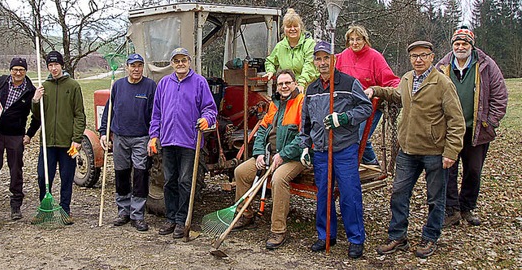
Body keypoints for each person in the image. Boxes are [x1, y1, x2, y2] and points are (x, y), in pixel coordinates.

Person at [369, 41, 465, 259]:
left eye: (423, 55)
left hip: (434, 151)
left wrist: (451, 151)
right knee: (399, 193)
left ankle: (430, 238)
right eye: (414, 56)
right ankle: (398, 236)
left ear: (432, 57)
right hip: (407, 150)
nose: (418, 59)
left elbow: (456, 120)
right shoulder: (407, 78)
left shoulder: (442, 83)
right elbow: (396, 95)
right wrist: (376, 90)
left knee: (435, 198)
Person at [298, 41, 372, 259]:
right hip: (321, 150)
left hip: (344, 149)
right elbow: (306, 123)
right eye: (318, 59)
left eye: (326, 58)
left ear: (334, 59)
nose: (322, 63)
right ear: (314, 62)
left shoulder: (348, 83)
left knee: (349, 194)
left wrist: (345, 118)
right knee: (323, 195)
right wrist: (304, 146)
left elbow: (366, 108)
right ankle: (326, 235)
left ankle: (356, 239)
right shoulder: (311, 89)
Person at [435, 27, 508, 227]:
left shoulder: (486, 65)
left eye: (464, 44)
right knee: (448, 170)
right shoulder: (442, 66)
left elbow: (500, 96)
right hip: (449, 130)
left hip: (477, 129)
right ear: (452, 45)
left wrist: (490, 122)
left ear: (471, 46)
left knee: (473, 170)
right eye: (457, 44)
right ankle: (452, 210)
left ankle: (467, 207)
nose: (460, 47)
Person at [231, 69, 306, 250]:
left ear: (295, 84)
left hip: (294, 158)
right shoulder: (275, 104)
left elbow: (303, 136)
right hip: (269, 154)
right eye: (280, 84)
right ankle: (245, 214)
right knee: (240, 171)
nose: (284, 86)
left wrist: (283, 155)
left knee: (279, 178)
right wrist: (258, 154)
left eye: (288, 83)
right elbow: (262, 130)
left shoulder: (301, 103)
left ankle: (278, 230)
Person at [148, 47, 218, 239]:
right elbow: (156, 114)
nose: (180, 64)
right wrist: (154, 135)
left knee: (185, 181)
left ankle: (182, 220)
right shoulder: (164, 84)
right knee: (170, 180)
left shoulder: (199, 82)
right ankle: (170, 218)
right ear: (172, 63)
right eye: (176, 60)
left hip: (190, 141)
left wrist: (207, 119)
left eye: (183, 60)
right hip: (168, 140)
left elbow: (210, 109)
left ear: (189, 62)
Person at [99, 53, 156, 232]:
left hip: (141, 137)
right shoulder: (118, 86)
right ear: (127, 67)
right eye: (133, 66)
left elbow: (155, 114)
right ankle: (123, 211)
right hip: (120, 137)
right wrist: (103, 133)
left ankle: (137, 215)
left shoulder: (150, 86)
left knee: (140, 175)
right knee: (121, 174)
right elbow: (109, 111)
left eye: (139, 65)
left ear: (143, 67)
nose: (136, 69)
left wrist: (153, 136)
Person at [0, 57, 40, 221]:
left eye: (21, 70)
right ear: (10, 70)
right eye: (15, 69)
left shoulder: (30, 91)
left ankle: (15, 206)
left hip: (16, 136)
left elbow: (37, 117)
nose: (18, 73)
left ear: (26, 71)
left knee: (16, 171)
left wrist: (29, 134)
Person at [31, 50, 86, 225]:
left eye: (56, 65)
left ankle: (65, 210)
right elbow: (37, 116)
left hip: (67, 142)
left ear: (62, 65)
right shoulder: (43, 88)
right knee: (43, 176)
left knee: (67, 177)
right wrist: (35, 99)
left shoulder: (73, 86)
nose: (53, 68)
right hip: (47, 142)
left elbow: (79, 115)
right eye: (50, 65)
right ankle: (44, 207)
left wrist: (77, 139)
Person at [335, 25, 400, 165]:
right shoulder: (343, 56)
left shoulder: (375, 57)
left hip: (369, 106)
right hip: (346, 105)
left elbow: (391, 79)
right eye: (351, 39)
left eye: (358, 39)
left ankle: (372, 165)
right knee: (344, 139)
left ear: (365, 40)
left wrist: (398, 91)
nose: (354, 43)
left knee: (359, 138)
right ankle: (355, 166)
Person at [264, 8, 318, 92]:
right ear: (284, 29)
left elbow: (310, 66)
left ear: (301, 27)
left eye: (295, 26)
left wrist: (301, 84)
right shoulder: (280, 46)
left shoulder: (310, 44)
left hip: (308, 89)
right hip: (287, 90)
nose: (292, 29)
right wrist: (270, 71)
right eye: (289, 26)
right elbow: (269, 61)